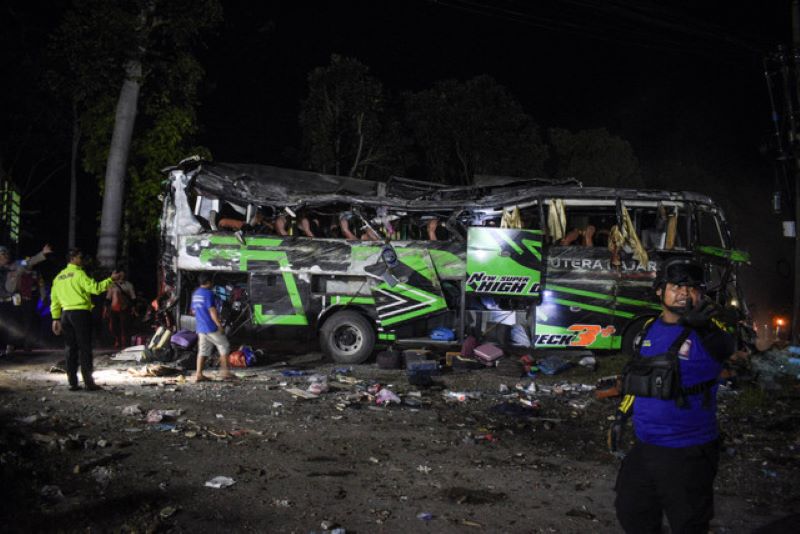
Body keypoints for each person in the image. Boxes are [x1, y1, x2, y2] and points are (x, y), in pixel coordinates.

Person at [613, 257, 736, 533]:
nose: (684, 292)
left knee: (689, 523)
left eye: (692, 287)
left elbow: (726, 347)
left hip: (688, 451)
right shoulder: (648, 328)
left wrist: (704, 327)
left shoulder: (708, 333)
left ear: (701, 294)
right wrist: (621, 416)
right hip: (646, 445)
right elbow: (640, 378)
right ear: (660, 290)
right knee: (632, 511)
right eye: (677, 285)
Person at [50, 248, 121, 391]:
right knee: (85, 348)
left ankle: (72, 383)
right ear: (72, 259)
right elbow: (95, 288)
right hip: (80, 314)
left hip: (65, 315)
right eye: (80, 257)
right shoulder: (79, 274)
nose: (81, 259)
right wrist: (110, 280)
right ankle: (89, 382)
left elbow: (54, 301)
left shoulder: (58, 277)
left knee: (70, 348)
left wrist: (55, 318)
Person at [0, 243, 52, 356]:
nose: (3, 258)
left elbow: (29, 262)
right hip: (3, 300)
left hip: (13, 301)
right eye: (2, 255)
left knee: (13, 323)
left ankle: (12, 346)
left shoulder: (17, 265)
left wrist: (42, 254)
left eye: (4, 255)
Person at [191, 272, 233, 382]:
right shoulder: (208, 293)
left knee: (203, 351)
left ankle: (199, 374)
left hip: (200, 327)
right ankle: (225, 372)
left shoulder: (196, 294)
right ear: (208, 282)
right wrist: (219, 325)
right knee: (224, 346)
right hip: (210, 326)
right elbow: (212, 310)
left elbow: (193, 310)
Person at [105, 267, 136, 349]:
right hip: (114, 308)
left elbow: (133, 298)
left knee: (125, 326)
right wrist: (105, 309)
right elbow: (108, 298)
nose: (121, 275)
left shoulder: (129, 285)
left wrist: (133, 308)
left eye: (122, 273)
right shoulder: (111, 285)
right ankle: (117, 339)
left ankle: (125, 343)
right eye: (119, 273)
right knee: (113, 327)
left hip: (125, 308)